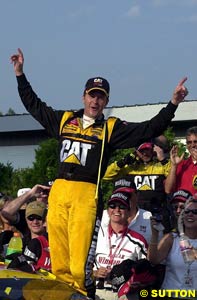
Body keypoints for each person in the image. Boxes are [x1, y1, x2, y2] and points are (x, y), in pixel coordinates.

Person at [11, 48, 188, 299]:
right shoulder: (64, 120)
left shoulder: (110, 128)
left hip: (86, 196)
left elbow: (149, 128)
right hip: (59, 193)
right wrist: (20, 74)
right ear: (83, 97)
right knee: (59, 264)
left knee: (78, 268)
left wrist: (173, 104)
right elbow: (34, 106)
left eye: (101, 97)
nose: (95, 102)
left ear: (106, 101)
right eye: (92, 96)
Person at [104, 141, 171, 231]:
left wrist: (163, 159)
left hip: (157, 213)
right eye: (142, 151)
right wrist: (121, 162)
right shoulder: (129, 168)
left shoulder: (160, 166)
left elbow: (173, 176)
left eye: (147, 150)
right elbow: (105, 176)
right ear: (136, 152)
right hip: (135, 214)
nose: (145, 153)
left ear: (153, 150)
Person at [94, 189, 148, 300]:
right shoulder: (96, 234)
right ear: (108, 210)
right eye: (112, 206)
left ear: (129, 212)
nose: (117, 210)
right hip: (96, 292)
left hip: (124, 295)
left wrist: (137, 282)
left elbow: (147, 273)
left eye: (122, 207)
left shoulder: (139, 240)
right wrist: (94, 273)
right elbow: (81, 265)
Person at [148, 197, 197, 297]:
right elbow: (153, 260)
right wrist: (155, 234)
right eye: (186, 211)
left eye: (195, 212)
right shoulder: (171, 238)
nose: (190, 214)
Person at [7, 200, 51, 272]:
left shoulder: (55, 242)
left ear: (45, 221)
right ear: (26, 219)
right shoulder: (19, 242)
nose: (35, 222)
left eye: (39, 218)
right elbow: (5, 213)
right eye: (31, 218)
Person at [165, 126, 197, 195]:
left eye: (195, 142)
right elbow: (168, 189)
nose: (192, 145)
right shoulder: (182, 164)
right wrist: (174, 165)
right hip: (183, 204)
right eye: (189, 142)